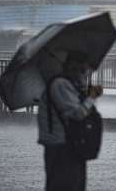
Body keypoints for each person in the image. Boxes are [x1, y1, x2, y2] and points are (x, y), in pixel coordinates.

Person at [37, 52, 103, 191]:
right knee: (64, 185)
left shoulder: (67, 84)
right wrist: (91, 97)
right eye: (83, 70)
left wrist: (87, 93)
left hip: (68, 145)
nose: (84, 74)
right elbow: (77, 114)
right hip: (61, 146)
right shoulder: (60, 84)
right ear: (72, 67)